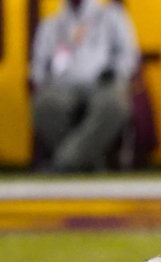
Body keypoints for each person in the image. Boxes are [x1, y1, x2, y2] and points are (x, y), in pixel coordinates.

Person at [29, 0, 140, 172]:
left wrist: (115, 71)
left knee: (114, 104)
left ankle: (63, 163)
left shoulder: (110, 17)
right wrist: (46, 76)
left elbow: (128, 55)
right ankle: (89, 163)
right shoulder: (51, 24)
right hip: (62, 87)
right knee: (44, 105)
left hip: (101, 84)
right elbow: (37, 68)